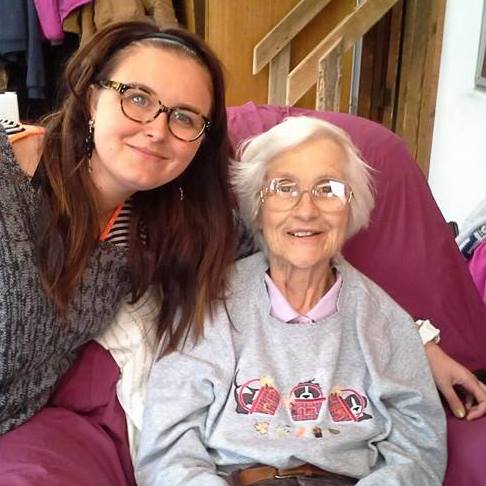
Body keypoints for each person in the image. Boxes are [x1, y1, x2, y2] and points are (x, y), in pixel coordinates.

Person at [136, 116, 446, 485]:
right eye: (284, 187)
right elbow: (167, 449)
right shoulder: (208, 306)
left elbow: (420, 447)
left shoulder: (387, 321)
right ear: (258, 207)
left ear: (352, 205)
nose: (306, 210)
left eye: (327, 189)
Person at [0, 20, 235, 435]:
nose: (157, 131)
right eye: (138, 98)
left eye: (184, 117)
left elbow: (273, 229)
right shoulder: (9, 177)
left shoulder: (152, 227)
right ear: (93, 100)